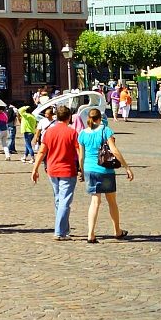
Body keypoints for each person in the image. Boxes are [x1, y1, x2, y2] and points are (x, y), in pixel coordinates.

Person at [77, 109, 132, 243]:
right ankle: (117, 230)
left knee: (95, 201)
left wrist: (82, 171)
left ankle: (90, 233)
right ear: (100, 119)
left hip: (89, 169)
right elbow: (114, 150)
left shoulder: (82, 134)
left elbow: (81, 156)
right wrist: (126, 167)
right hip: (105, 170)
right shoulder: (105, 131)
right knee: (112, 201)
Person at [31, 104, 80, 241]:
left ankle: (64, 229)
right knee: (65, 201)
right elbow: (79, 152)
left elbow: (42, 151)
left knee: (59, 199)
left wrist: (35, 169)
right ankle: (60, 232)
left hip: (52, 169)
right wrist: (82, 167)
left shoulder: (49, 132)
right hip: (67, 170)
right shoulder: (72, 133)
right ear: (69, 117)